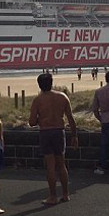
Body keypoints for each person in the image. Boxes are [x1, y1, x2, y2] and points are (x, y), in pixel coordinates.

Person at [29, 73, 78, 205]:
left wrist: (42, 118)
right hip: (59, 131)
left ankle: (52, 196)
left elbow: (32, 122)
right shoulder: (62, 97)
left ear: (39, 85)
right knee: (61, 164)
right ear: (51, 82)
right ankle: (66, 194)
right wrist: (74, 135)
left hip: (46, 132)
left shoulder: (38, 100)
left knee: (50, 165)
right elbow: (71, 118)